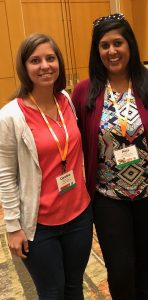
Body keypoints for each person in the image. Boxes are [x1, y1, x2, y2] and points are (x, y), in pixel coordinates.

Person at [72, 13, 148, 300]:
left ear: (130, 45)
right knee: (120, 268)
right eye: (104, 45)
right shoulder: (84, 92)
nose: (112, 51)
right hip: (107, 196)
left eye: (118, 43)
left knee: (145, 262)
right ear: (96, 50)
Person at [0, 33, 93, 300]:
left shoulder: (66, 100)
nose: (45, 66)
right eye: (35, 60)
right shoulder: (10, 116)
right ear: (24, 67)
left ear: (59, 63)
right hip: (39, 225)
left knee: (75, 287)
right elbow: (5, 175)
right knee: (51, 291)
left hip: (79, 216)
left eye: (50, 58)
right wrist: (13, 226)